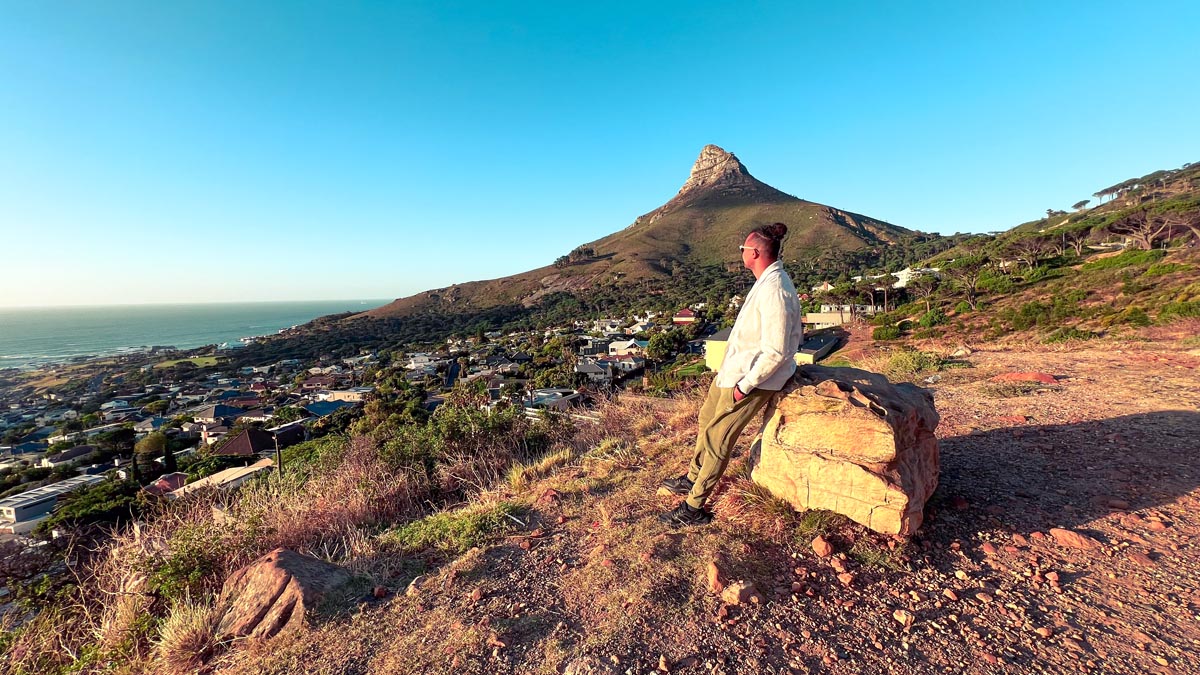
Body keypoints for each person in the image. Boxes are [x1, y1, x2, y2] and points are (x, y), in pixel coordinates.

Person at [659, 222, 804, 526]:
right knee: (705, 421)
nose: (740, 253)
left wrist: (746, 385)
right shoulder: (765, 281)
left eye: (742, 248)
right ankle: (692, 476)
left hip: (751, 379)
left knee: (718, 437)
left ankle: (694, 507)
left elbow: (776, 350)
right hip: (732, 373)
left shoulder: (776, 289)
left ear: (753, 252)